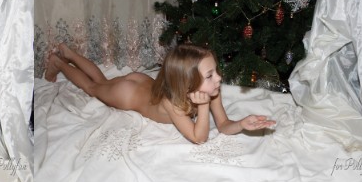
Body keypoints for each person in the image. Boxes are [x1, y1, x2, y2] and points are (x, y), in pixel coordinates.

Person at [43, 42, 275, 144]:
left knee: (102, 81)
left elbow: (223, 124)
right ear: (188, 83)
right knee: (94, 88)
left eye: (215, 72)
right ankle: (60, 62)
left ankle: (69, 54)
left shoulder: (211, 90)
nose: (219, 79)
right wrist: (203, 107)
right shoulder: (172, 103)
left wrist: (241, 124)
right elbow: (199, 137)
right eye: (210, 75)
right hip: (128, 94)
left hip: (143, 82)